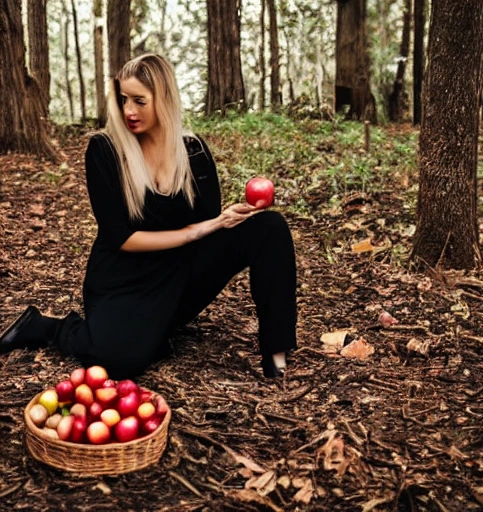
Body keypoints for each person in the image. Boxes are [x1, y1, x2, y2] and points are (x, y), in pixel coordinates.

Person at [0, 53, 297, 380]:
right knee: (117, 363)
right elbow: (121, 238)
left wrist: (229, 220)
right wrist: (198, 231)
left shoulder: (194, 152)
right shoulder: (105, 150)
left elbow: (210, 225)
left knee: (269, 227)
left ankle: (276, 353)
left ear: (164, 99)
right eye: (123, 99)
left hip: (179, 275)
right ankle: (48, 327)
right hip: (124, 279)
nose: (129, 110)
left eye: (139, 101)